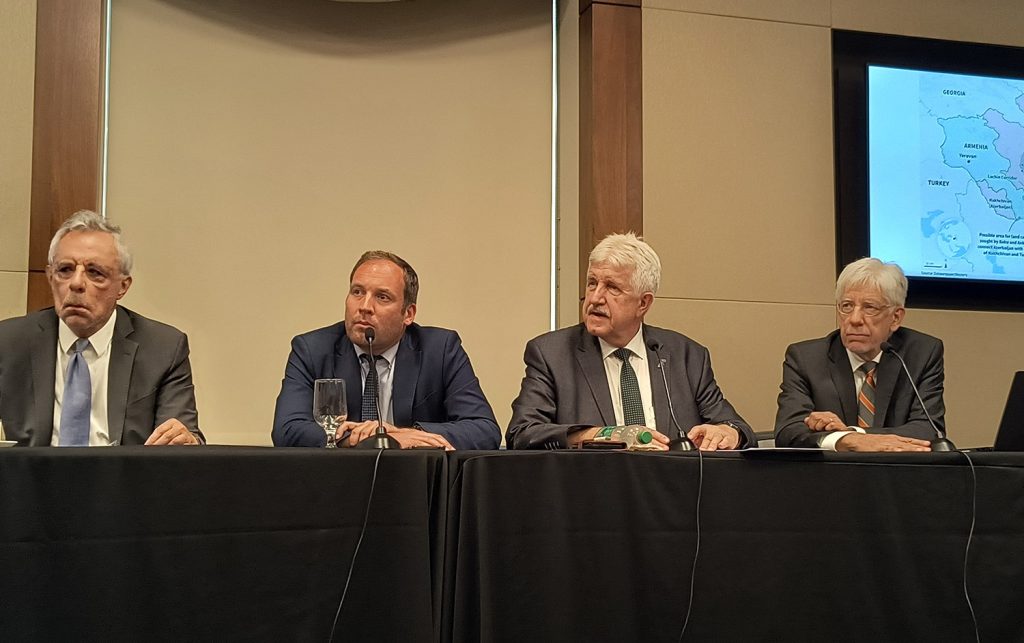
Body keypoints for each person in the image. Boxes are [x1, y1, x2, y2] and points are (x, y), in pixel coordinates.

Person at [507, 232, 755, 451]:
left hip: (672, 487)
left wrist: (728, 433)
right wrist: (601, 435)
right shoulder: (552, 354)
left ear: (643, 303)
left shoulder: (686, 356)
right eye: (592, 283)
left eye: (612, 287)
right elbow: (523, 433)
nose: (595, 298)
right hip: (592, 486)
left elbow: (738, 428)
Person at [0, 210, 203, 446]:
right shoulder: (8, 342)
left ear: (122, 287)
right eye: (65, 270)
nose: (76, 283)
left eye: (95, 272)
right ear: (50, 277)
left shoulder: (163, 348)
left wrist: (186, 440)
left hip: (124, 470)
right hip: (33, 470)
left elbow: (184, 440)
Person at [272, 250, 500, 450]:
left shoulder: (440, 350)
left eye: (382, 297)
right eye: (357, 292)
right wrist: (362, 439)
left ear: (408, 314)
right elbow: (288, 428)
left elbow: (484, 429)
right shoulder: (312, 350)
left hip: (416, 480)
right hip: (338, 481)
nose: (364, 307)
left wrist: (407, 435)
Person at [774, 257, 941, 452]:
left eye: (870, 307)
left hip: (898, 470)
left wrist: (854, 435)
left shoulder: (921, 353)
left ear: (895, 318)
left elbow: (929, 429)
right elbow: (788, 431)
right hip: (833, 471)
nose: (854, 319)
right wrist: (846, 440)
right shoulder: (806, 359)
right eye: (846, 306)